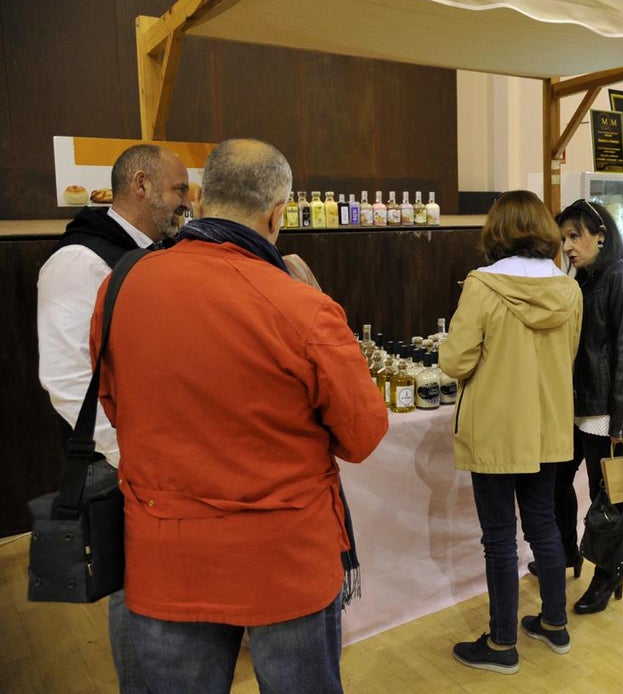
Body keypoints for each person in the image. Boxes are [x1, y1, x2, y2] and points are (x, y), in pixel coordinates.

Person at [91, 139, 388, 693]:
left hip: (165, 550)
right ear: (277, 213)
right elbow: (363, 434)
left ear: (200, 200)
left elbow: (114, 404)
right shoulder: (302, 306)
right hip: (285, 557)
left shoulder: (121, 286)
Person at [37, 142, 190, 692]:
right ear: (142, 185)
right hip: (121, 460)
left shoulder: (154, 250)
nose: (186, 203)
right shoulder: (79, 261)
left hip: (156, 457)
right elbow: (67, 378)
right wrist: (129, 455)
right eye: (178, 190)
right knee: (135, 590)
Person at [439, 190, 582, 675]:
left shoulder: (482, 286)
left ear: (496, 231)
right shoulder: (569, 288)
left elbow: (454, 359)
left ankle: (501, 645)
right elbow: (571, 353)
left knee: (499, 537)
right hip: (549, 426)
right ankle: (555, 624)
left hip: (498, 430)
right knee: (543, 522)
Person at [555, 198, 623, 614]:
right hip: (577, 403)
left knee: (609, 496)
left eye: (575, 236)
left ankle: (608, 573)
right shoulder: (581, 280)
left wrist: (622, 419)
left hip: (605, 411)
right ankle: (566, 551)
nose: (568, 246)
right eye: (564, 238)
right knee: (555, 484)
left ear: (601, 235)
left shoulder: (622, 279)